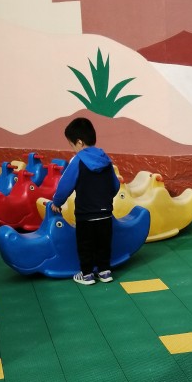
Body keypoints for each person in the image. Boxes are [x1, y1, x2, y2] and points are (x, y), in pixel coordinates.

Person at [50, 117, 120, 285]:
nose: (73, 149)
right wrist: (105, 199)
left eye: (72, 145)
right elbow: (115, 185)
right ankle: (105, 272)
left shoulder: (78, 160)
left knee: (85, 244)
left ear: (79, 142)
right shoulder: (105, 159)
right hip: (105, 213)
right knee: (103, 244)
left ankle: (87, 274)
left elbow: (65, 185)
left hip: (85, 215)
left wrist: (57, 203)